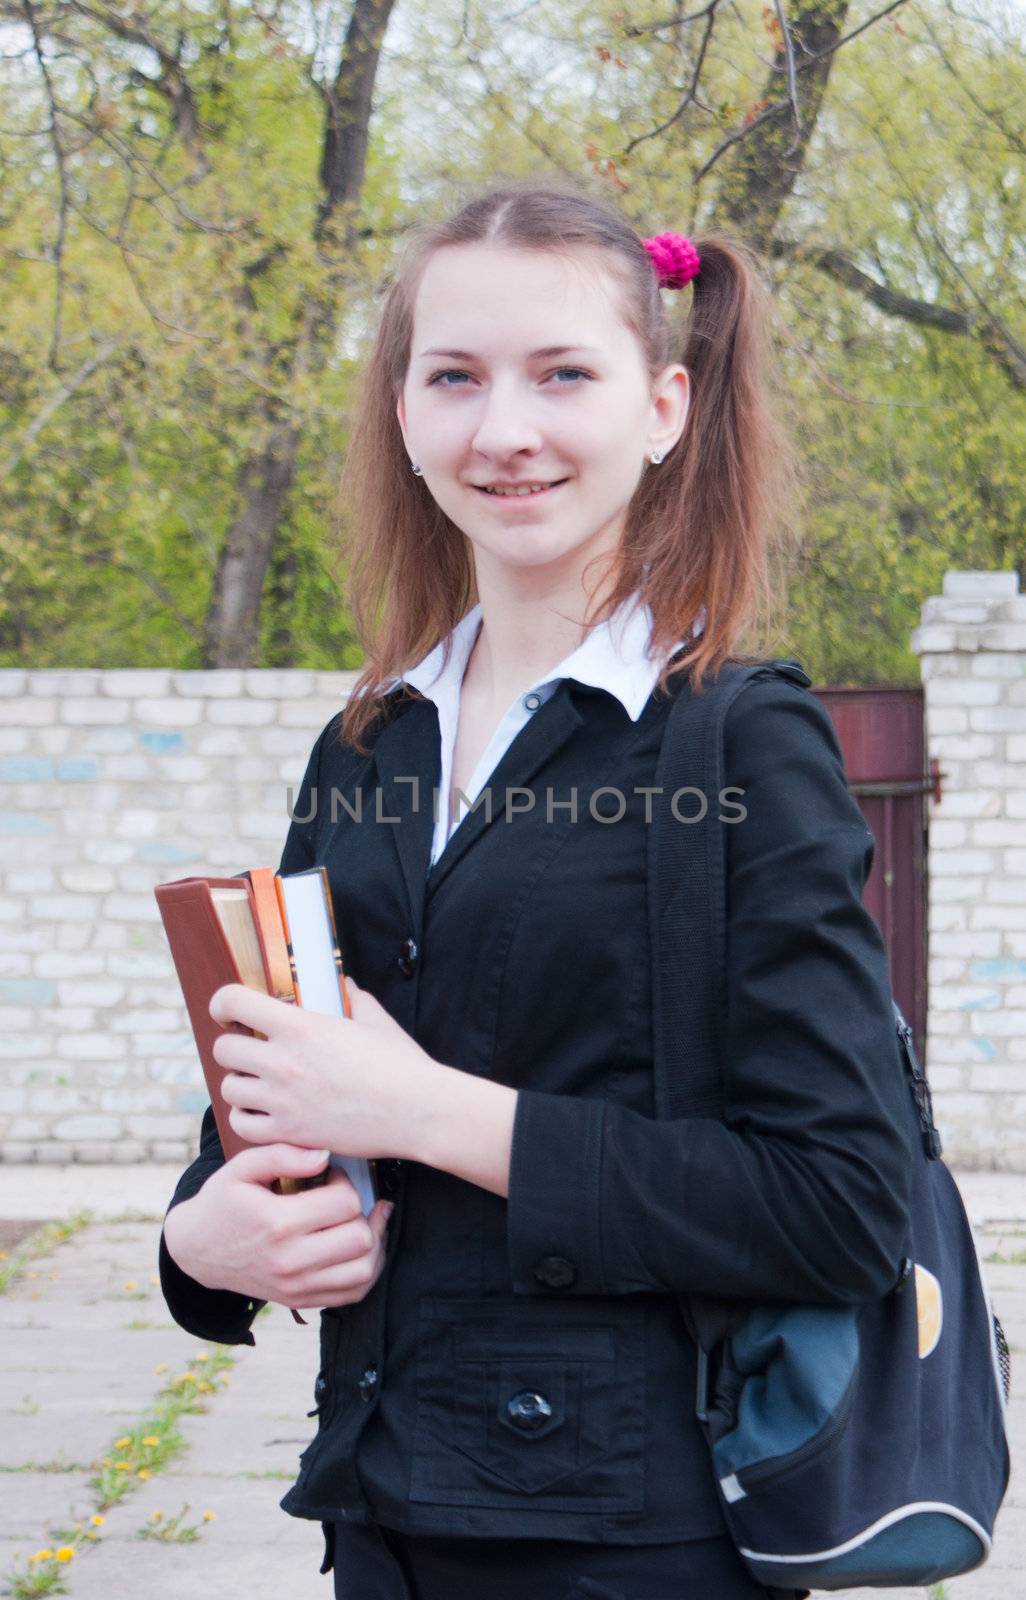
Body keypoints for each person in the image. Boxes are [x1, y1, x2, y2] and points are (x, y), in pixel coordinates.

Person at [158, 181, 915, 1600]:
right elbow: (276, 1094)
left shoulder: (737, 738)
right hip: (378, 1513)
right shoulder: (368, 742)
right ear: (403, 416)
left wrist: (429, 1116)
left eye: (562, 373)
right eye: (453, 377)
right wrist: (202, 1242)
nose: (503, 431)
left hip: (635, 1541)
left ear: (663, 408)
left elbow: (837, 1205)